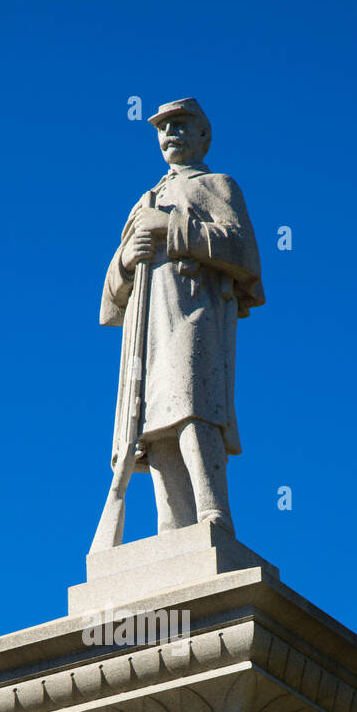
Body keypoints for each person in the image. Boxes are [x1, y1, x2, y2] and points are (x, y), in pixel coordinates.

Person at [100, 98, 264, 535]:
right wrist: (124, 261)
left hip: (194, 311)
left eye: (181, 125)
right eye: (163, 127)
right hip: (147, 326)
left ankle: (213, 512)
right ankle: (171, 525)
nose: (170, 133)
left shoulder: (218, 184)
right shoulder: (145, 200)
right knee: (153, 422)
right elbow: (111, 299)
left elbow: (242, 253)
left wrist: (170, 230)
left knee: (194, 404)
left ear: (203, 135)